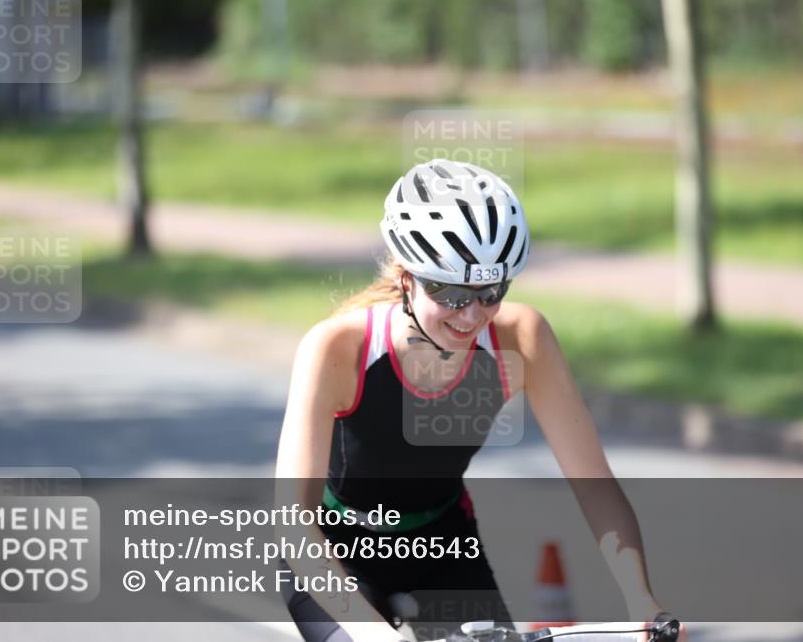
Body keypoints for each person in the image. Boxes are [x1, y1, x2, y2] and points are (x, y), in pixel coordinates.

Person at [275, 159, 686, 642]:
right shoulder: (337, 349)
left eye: (491, 292)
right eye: (448, 292)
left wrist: (641, 599)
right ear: (407, 277)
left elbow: (593, 484)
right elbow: (294, 525)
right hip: (335, 554)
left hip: (442, 544)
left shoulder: (522, 338)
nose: (471, 315)